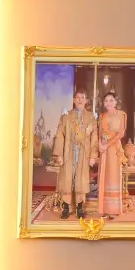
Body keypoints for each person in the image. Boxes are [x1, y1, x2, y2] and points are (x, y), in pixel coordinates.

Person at [51, 89, 98, 219]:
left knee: (81, 179)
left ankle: (80, 207)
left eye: (82, 97)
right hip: (68, 151)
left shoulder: (91, 117)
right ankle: (66, 207)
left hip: (84, 152)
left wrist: (93, 156)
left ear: (86, 100)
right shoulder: (66, 116)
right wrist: (59, 154)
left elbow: (94, 137)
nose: (80, 100)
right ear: (74, 100)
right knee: (67, 178)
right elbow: (60, 135)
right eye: (77, 97)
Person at [97, 92, 127, 218]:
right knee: (104, 177)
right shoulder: (102, 116)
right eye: (106, 101)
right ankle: (104, 209)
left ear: (115, 101)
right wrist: (100, 144)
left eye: (111, 100)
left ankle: (113, 209)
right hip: (104, 150)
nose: (108, 103)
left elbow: (121, 134)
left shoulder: (121, 114)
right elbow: (99, 133)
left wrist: (107, 145)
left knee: (113, 177)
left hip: (114, 149)